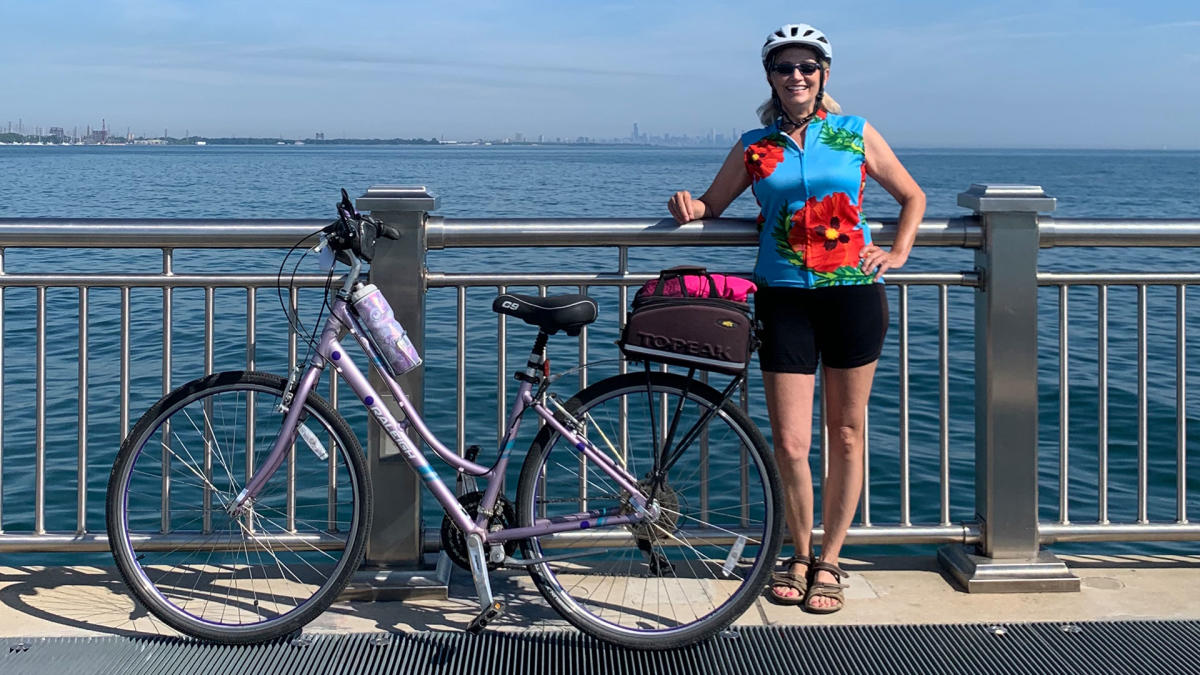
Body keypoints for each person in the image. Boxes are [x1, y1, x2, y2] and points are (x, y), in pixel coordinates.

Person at [667, 23, 925, 613]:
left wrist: (899, 252)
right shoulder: (756, 146)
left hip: (854, 295)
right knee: (788, 441)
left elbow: (913, 197)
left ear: (824, 75)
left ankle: (831, 561)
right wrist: (689, 206)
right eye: (785, 68)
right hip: (784, 297)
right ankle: (798, 552)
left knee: (848, 433)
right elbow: (714, 203)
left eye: (807, 67)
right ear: (771, 79)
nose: (797, 77)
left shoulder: (854, 133)